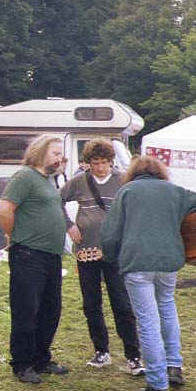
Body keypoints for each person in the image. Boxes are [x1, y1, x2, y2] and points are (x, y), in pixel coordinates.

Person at [100, 155, 196, 391]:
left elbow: (110, 234)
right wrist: (186, 229)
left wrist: (111, 257)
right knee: (166, 308)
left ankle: (157, 386)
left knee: (148, 323)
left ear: (134, 173)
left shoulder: (127, 192)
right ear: (160, 173)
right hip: (169, 262)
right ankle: (174, 367)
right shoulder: (176, 191)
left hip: (137, 264)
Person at [59, 139, 144, 376]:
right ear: (88, 162)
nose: (99, 168)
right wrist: (68, 225)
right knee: (91, 303)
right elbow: (57, 199)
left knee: (122, 303)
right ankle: (101, 351)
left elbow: (136, 208)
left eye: (104, 163)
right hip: (86, 249)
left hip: (115, 251)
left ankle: (133, 356)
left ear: (111, 162)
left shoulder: (123, 180)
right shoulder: (79, 181)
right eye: (95, 163)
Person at [0, 134, 68, 384]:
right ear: (40, 152)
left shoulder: (47, 179)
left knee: (50, 311)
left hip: (51, 256)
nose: (60, 158)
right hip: (28, 254)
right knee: (27, 311)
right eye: (55, 153)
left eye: (60, 153)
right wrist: (14, 234)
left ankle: (41, 359)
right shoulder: (25, 176)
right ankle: (22, 364)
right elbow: (3, 209)